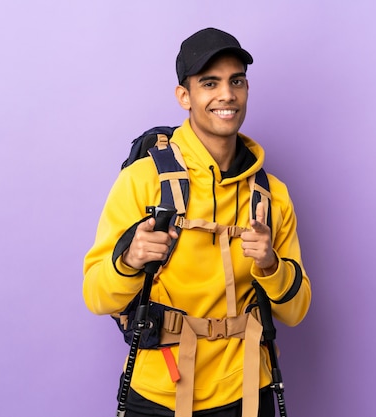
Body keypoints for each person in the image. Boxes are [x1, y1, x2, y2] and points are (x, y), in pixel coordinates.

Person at [83, 27, 311, 417]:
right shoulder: (142, 180)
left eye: (236, 81)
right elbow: (96, 297)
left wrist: (271, 265)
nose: (227, 95)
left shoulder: (272, 195)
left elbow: (296, 311)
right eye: (210, 83)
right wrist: (130, 260)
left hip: (248, 391)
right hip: (159, 394)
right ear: (184, 96)